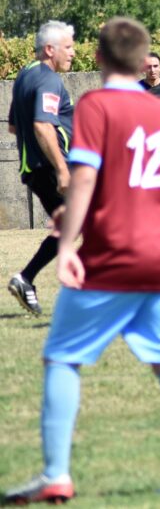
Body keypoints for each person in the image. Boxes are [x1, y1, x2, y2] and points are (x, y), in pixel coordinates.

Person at [2, 17, 160, 505]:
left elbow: (84, 179)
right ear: (145, 63)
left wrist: (70, 240)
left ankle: (56, 473)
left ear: (99, 58)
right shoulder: (157, 109)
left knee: (61, 357)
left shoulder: (97, 105)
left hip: (114, 254)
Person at [6, 21, 76, 316]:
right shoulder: (48, 79)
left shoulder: (25, 75)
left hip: (34, 167)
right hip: (50, 168)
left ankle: (28, 279)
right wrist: (61, 168)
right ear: (50, 49)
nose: (73, 52)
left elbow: (12, 125)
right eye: (69, 47)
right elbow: (42, 125)